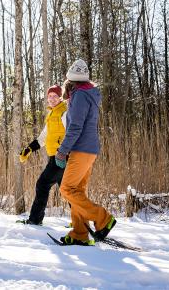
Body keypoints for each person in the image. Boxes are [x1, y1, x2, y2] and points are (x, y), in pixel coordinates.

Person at [55, 59, 116, 246]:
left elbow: (75, 127)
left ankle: (103, 218)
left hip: (81, 149)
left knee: (66, 189)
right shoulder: (89, 93)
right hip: (89, 149)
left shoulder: (80, 96)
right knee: (77, 190)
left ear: (71, 80)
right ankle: (79, 233)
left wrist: (62, 151)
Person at [17, 84, 68, 225]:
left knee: (42, 184)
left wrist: (63, 150)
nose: (52, 99)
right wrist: (29, 149)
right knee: (68, 190)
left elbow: (72, 134)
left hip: (61, 156)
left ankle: (35, 219)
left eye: (55, 96)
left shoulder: (64, 113)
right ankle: (79, 221)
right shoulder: (52, 114)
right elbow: (43, 137)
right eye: (50, 96)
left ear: (60, 97)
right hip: (56, 156)